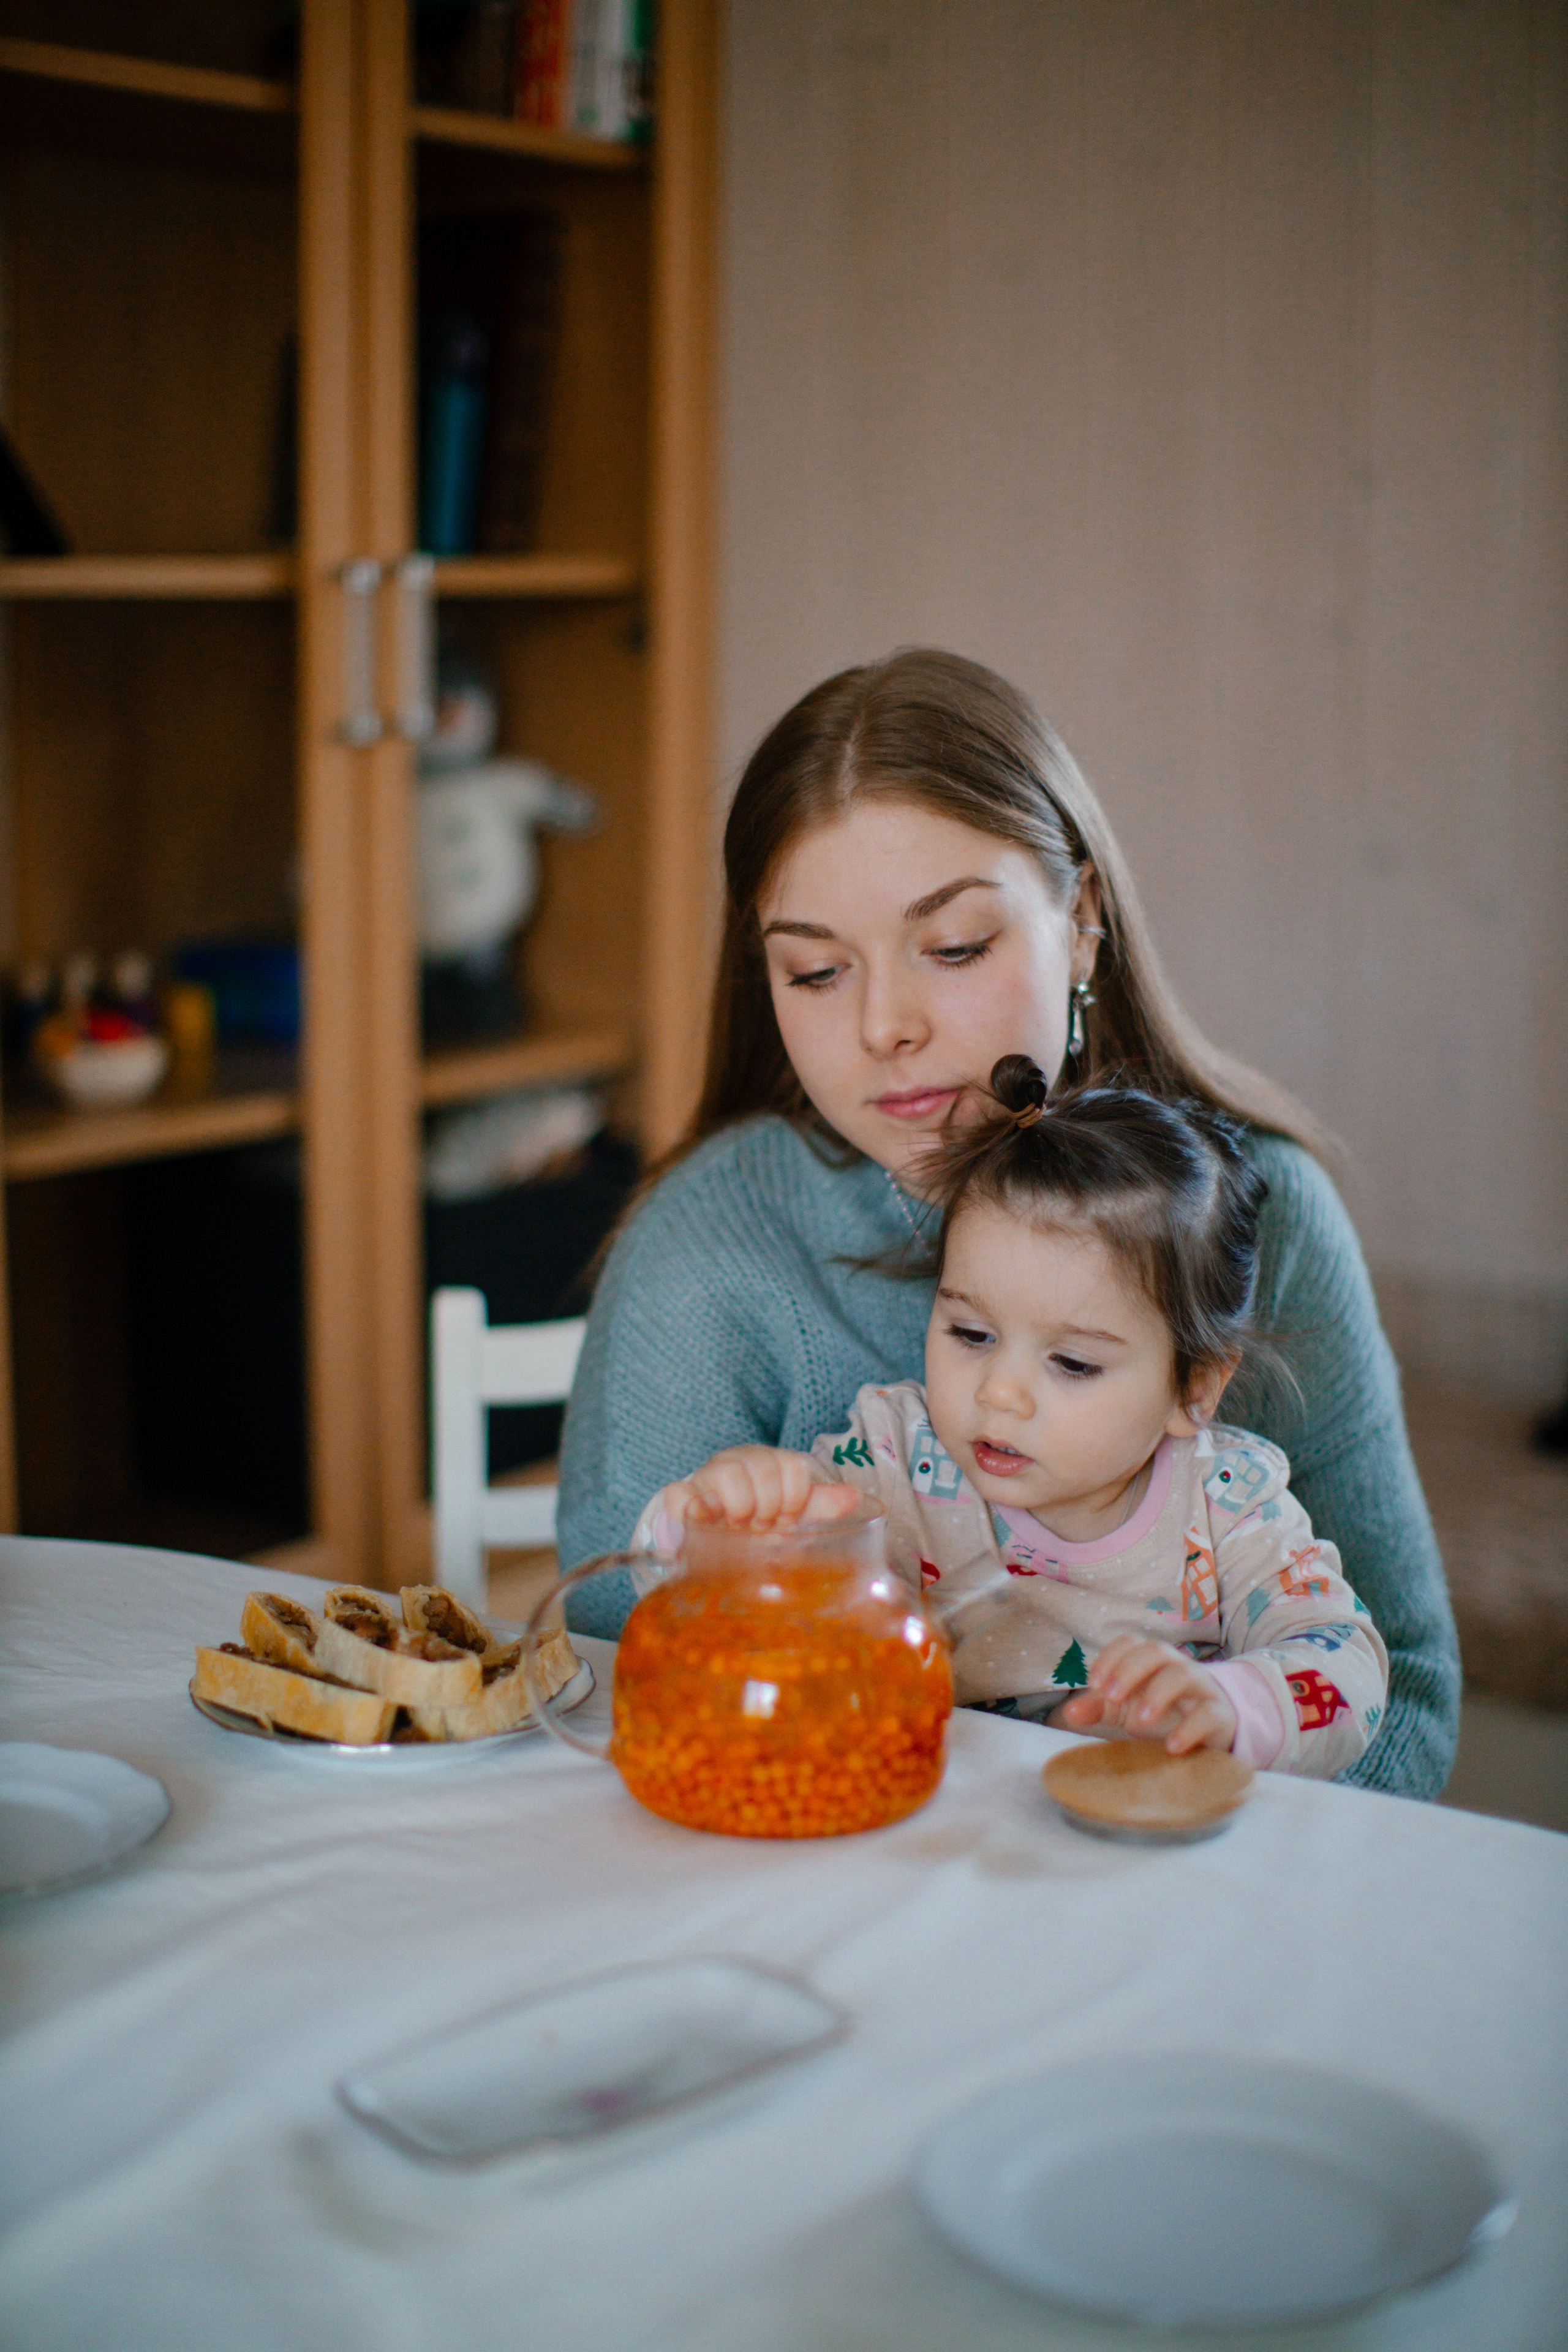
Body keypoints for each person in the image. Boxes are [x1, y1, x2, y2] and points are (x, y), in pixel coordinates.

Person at [558, 648, 1457, 1796]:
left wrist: (1190, 1815)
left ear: (1080, 922)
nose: (885, 1026)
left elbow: (1404, 1691)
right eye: (817, 971)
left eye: (954, 948)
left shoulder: (1262, 1220)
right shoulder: (706, 1250)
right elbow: (620, 1652)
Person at [636, 1061, 1389, 1781]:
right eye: (971, 1335)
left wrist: (1228, 1706)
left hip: (1136, 1842)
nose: (999, 1394)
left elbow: (1348, 1664)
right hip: (931, 1828)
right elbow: (698, 1600)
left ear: (1193, 1388)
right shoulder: (891, 1463)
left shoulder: (1228, 1502)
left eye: (1073, 1364)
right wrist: (718, 1521)